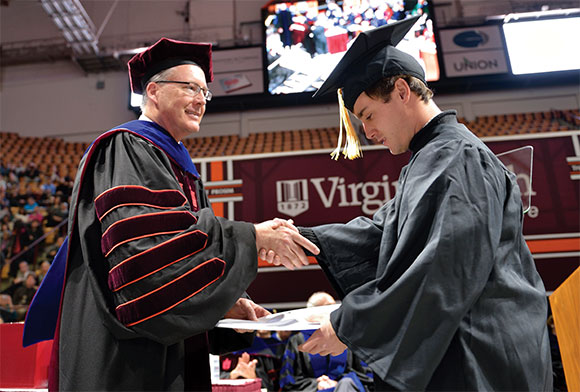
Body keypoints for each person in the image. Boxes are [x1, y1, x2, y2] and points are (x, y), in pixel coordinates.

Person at [261, 16, 552, 391]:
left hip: (485, 352)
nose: (367, 132)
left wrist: (349, 323)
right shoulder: (431, 158)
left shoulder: (457, 156)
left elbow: (443, 267)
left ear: (401, 91)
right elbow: (383, 233)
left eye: (367, 115)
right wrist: (298, 237)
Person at [23, 37, 319, 392]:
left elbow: (184, 264)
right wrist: (252, 237)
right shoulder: (127, 147)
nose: (200, 100)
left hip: (162, 354)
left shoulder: (178, 166)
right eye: (190, 88)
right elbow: (147, 258)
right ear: (153, 91)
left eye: (205, 93)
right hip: (121, 361)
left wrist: (229, 306)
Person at [279, 292, 373, 391]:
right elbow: (288, 379)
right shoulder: (297, 340)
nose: (335, 312)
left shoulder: (345, 337)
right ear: (312, 312)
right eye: (328, 307)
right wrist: (316, 384)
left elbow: (365, 374)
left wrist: (342, 381)